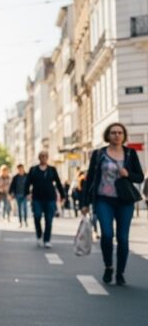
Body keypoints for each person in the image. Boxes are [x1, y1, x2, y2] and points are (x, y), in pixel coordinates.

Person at [81, 122, 145, 286]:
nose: (117, 135)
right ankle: (108, 266)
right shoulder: (99, 154)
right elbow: (90, 178)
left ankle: (120, 272)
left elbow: (139, 177)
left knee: (123, 238)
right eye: (113, 133)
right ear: (108, 135)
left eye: (120, 133)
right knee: (107, 235)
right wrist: (85, 203)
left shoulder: (130, 153)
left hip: (125, 201)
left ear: (124, 135)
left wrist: (128, 174)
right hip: (104, 199)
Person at [25, 151, 66, 248]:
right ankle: (39, 235)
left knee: (49, 219)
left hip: (50, 198)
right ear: (39, 158)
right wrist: (27, 193)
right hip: (37, 198)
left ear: (47, 158)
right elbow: (27, 182)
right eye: (42, 156)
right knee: (37, 216)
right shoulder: (33, 170)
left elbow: (58, 182)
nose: (43, 158)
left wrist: (63, 195)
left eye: (45, 156)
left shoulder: (52, 169)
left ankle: (47, 240)